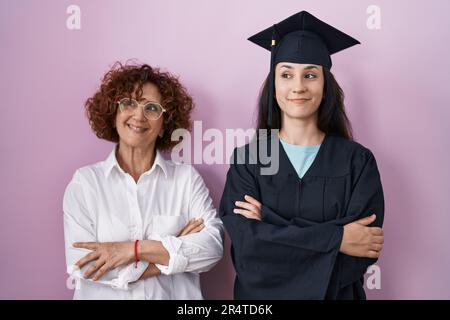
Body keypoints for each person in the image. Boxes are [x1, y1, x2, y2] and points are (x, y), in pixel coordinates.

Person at [219, 11, 384, 299]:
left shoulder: (357, 161)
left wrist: (270, 223)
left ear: (324, 86)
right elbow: (248, 252)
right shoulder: (251, 159)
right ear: (274, 85)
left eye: (310, 74)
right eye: (286, 75)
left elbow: (359, 255)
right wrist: (338, 237)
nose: (298, 86)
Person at [63, 62, 224, 299]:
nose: (138, 115)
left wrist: (132, 250)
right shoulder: (85, 183)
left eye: (151, 108)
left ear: (163, 126)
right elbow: (85, 266)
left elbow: (211, 249)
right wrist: (172, 249)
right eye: (128, 103)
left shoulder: (186, 180)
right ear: (114, 113)